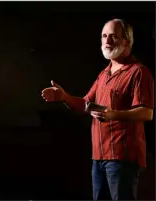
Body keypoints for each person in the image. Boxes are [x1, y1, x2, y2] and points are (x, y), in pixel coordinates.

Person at [41, 19, 154, 200]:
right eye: (104, 36)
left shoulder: (138, 72)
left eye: (113, 36)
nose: (107, 41)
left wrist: (112, 115)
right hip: (98, 156)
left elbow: (147, 113)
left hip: (122, 158)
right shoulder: (103, 75)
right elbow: (85, 104)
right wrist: (64, 97)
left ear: (127, 42)